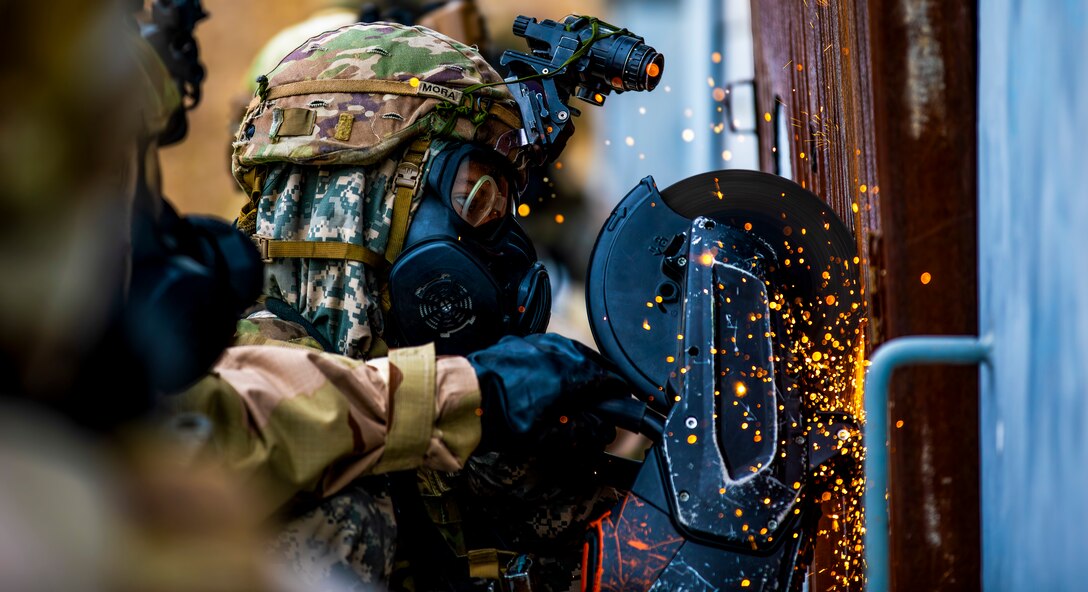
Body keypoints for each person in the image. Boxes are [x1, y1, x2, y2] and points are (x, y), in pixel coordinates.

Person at [173, 20, 632, 592]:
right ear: (358, 191)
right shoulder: (196, 361)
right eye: (477, 196)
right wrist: (475, 395)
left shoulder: (411, 385)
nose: (502, 243)